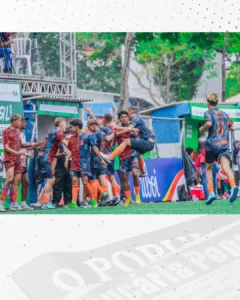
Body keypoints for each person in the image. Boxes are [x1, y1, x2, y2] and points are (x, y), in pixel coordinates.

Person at [199, 93, 238, 205]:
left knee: (208, 169)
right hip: (224, 144)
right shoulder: (225, 114)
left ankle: (211, 192)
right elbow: (232, 127)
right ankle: (233, 185)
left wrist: (202, 128)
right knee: (226, 168)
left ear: (208, 103)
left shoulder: (208, 113)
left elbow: (209, 123)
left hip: (212, 145)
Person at [0, 115, 39, 212]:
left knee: (17, 182)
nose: (20, 123)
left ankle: (14, 204)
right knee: (9, 179)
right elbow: (6, 147)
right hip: (9, 158)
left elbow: (21, 145)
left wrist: (33, 145)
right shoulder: (6, 131)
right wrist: (17, 152)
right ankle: (1, 203)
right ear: (13, 122)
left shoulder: (18, 132)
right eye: (18, 121)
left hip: (18, 160)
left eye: (20, 121)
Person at [66, 119, 107, 208]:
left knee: (85, 182)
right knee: (74, 181)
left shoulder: (88, 136)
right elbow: (71, 150)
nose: (70, 129)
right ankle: (73, 202)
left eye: (71, 127)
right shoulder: (72, 138)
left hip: (84, 163)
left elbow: (95, 148)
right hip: (74, 163)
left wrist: (102, 159)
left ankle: (93, 200)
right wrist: (66, 159)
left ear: (76, 127)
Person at [37, 117, 69, 210]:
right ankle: (45, 203)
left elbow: (54, 153)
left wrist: (61, 154)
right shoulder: (57, 132)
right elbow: (67, 143)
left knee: (50, 179)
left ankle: (45, 202)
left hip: (44, 158)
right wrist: (76, 149)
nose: (66, 126)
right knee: (50, 180)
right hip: (45, 158)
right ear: (61, 125)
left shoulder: (53, 133)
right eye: (65, 124)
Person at [115, 110, 141, 206]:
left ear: (128, 118)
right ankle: (128, 198)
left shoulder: (133, 127)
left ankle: (137, 195)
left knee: (135, 173)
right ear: (120, 119)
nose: (124, 118)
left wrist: (135, 134)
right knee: (125, 177)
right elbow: (115, 136)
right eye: (122, 117)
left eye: (125, 117)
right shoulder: (117, 130)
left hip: (133, 154)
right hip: (122, 156)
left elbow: (138, 139)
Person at [87, 118, 110, 206]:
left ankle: (95, 200)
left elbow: (94, 147)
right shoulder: (103, 133)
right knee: (102, 177)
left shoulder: (95, 134)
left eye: (89, 127)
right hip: (103, 155)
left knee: (93, 179)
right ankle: (105, 199)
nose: (89, 129)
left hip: (95, 157)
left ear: (93, 125)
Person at [19, 117, 34, 210]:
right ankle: (12, 203)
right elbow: (19, 146)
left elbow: (24, 146)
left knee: (26, 182)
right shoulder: (16, 133)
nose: (25, 123)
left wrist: (34, 146)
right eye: (22, 122)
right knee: (14, 182)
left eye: (25, 122)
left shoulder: (23, 135)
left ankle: (23, 203)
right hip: (16, 162)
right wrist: (33, 144)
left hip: (23, 162)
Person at [52, 143, 72, 207]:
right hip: (61, 164)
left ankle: (68, 201)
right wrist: (62, 154)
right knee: (58, 183)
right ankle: (56, 201)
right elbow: (55, 155)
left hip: (71, 164)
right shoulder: (59, 143)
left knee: (69, 183)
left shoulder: (74, 141)